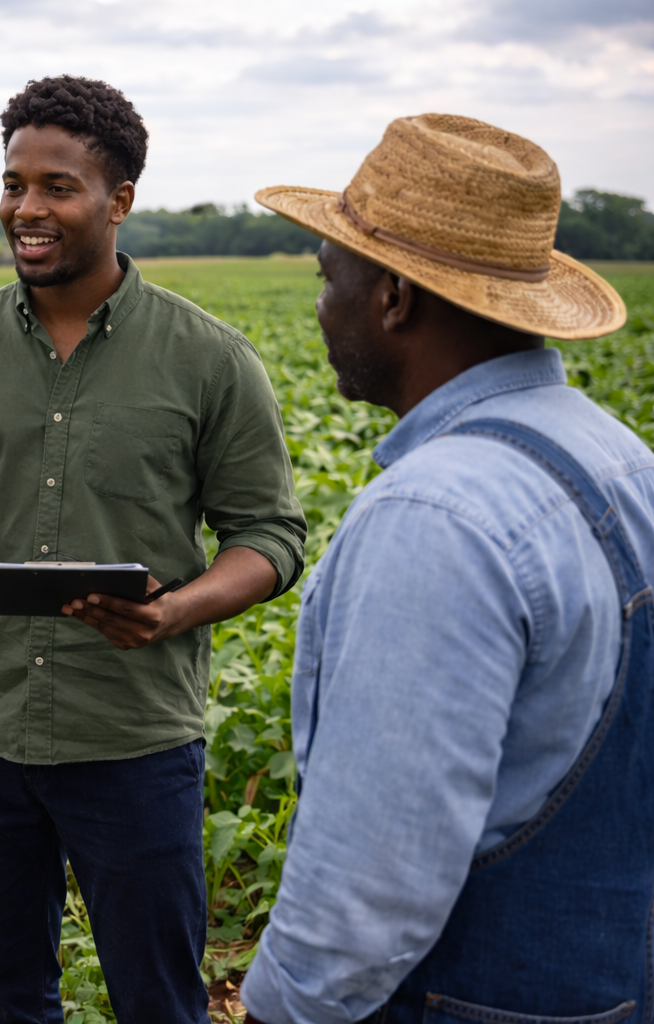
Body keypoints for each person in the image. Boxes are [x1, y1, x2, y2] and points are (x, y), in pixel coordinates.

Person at [0, 76, 306, 1022]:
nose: (26, 209)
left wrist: (173, 610)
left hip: (134, 739)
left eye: (57, 187)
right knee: (9, 997)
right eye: (13, 184)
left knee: (158, 999)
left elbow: (270, 536)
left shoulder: (209, 360)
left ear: (118, 202)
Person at [240, 115, 648, 1021]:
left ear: (392, 296)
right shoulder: (622, 457)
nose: (320, 306)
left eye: (327, 277)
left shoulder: (435, 516)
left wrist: (280, 1007)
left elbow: (368, 885)